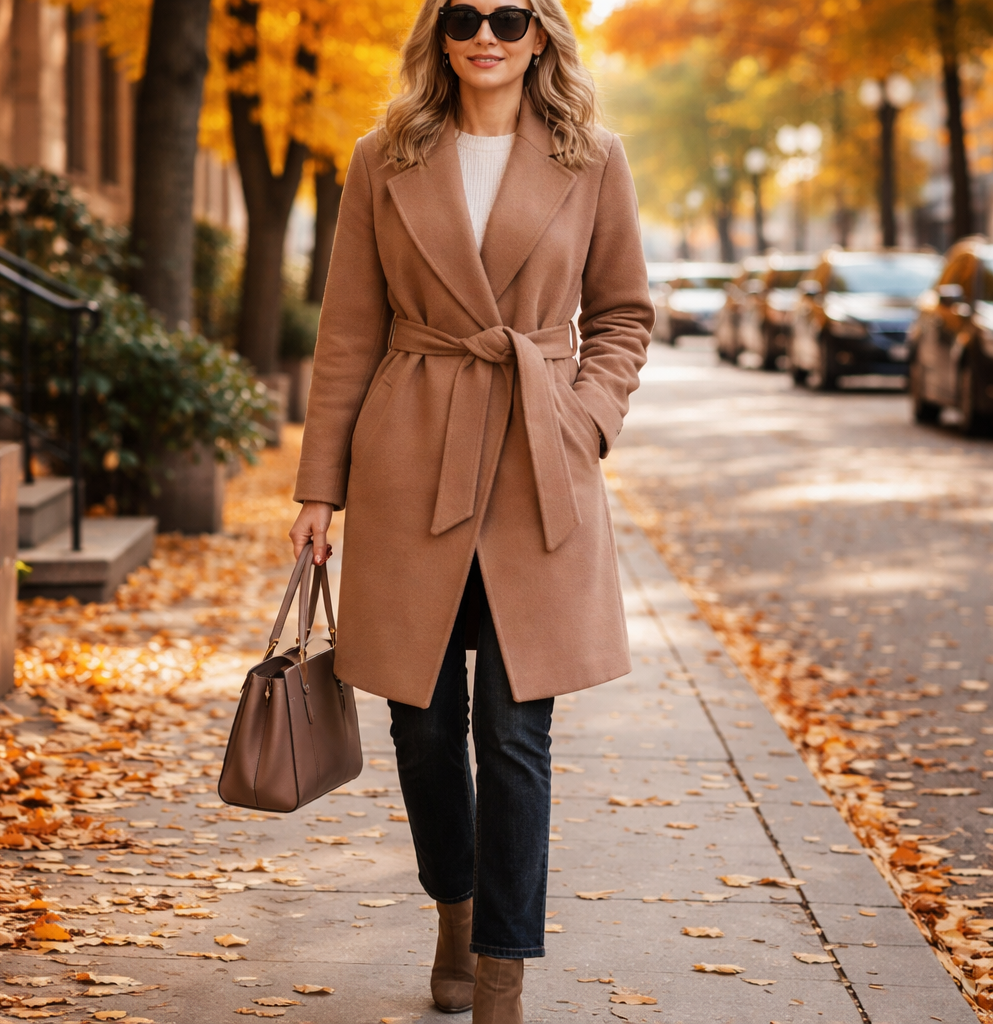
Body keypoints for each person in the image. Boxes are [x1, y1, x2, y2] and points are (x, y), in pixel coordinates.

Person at [288, 0, 653, 1016]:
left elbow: (621, 312)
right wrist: (321, 486)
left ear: (539, 34)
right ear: (439, 35)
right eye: (463, 14)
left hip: (539, 456)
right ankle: (452, 902)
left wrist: (586, 417)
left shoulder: (592, 154)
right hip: (412, 455)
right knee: (418, 721)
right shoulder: (385, 154)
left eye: (508, 14)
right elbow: (348, 331)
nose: (485, 32)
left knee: (513, 731)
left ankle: (500, 967)